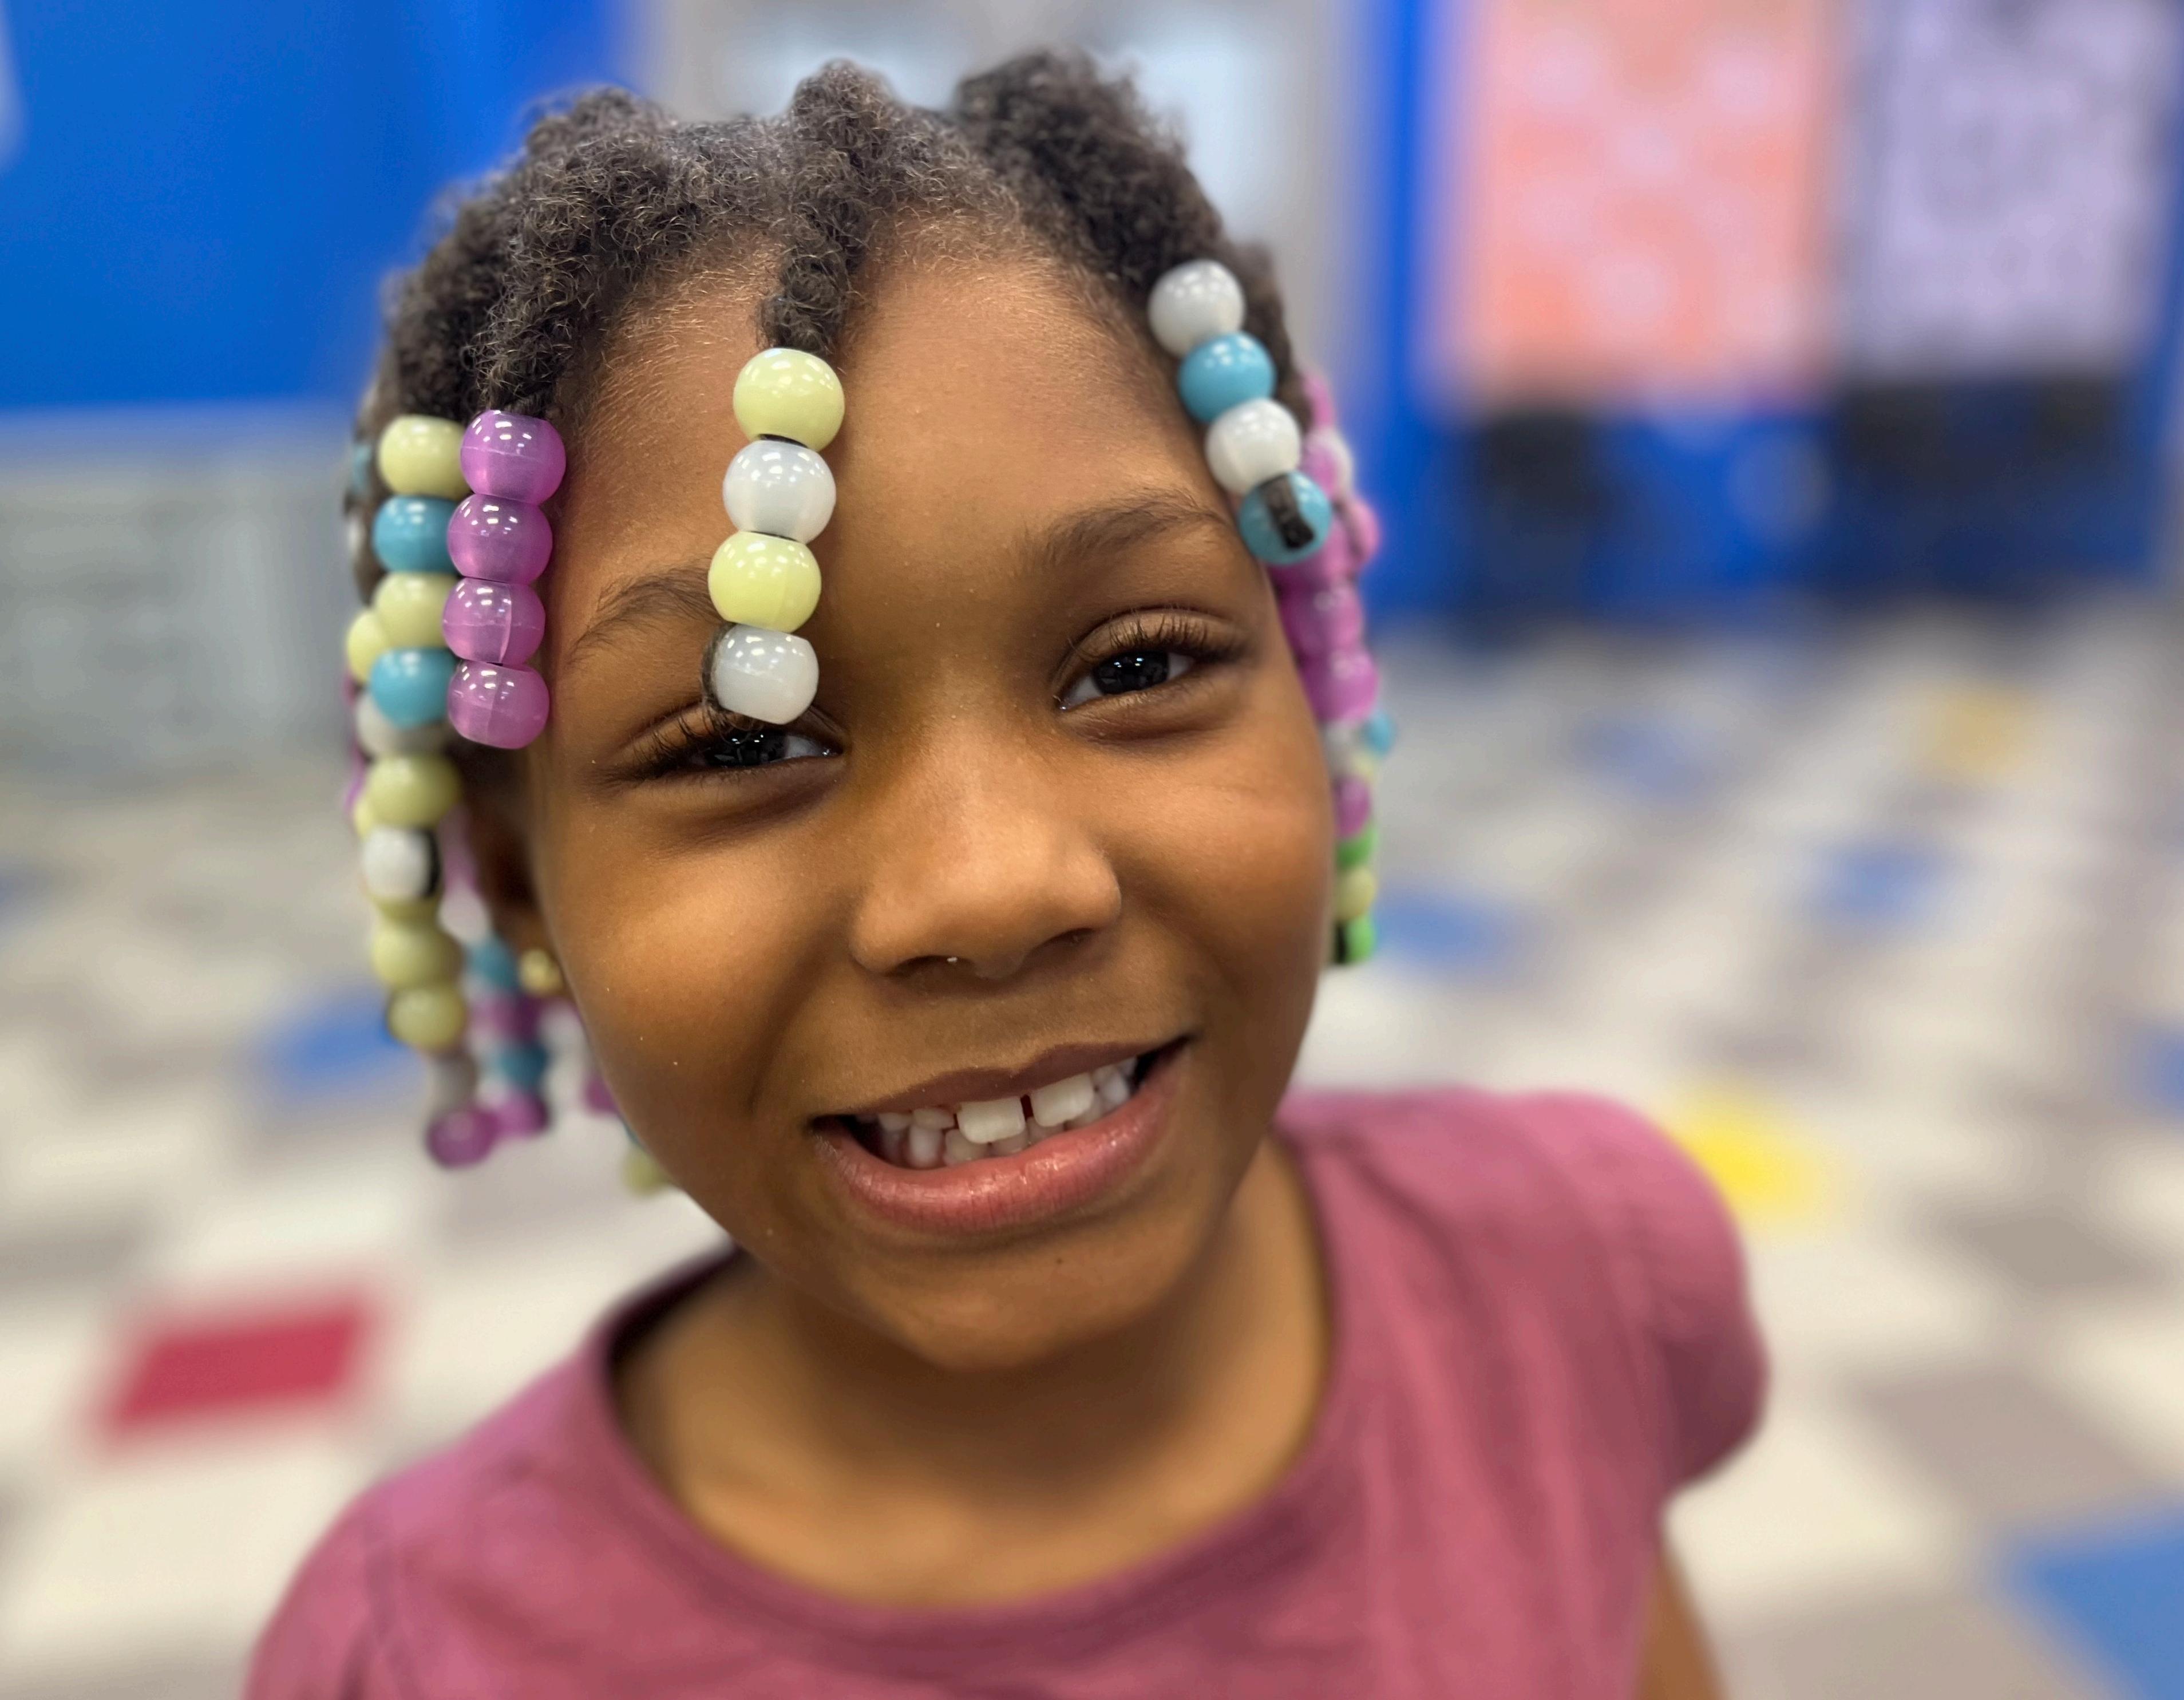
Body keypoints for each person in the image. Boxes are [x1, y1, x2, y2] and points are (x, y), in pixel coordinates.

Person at [252, 51, 1763, 1698]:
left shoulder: (1583, 1283)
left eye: (1136, 666)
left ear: (1315, 681)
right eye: (743, 741)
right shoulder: (419, 1656)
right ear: (516, 883)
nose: (989, 889)